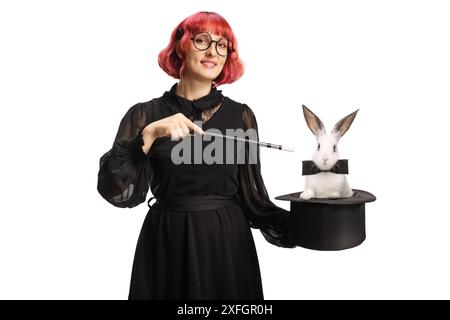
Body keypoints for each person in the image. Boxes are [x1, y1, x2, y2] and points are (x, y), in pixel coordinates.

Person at [97, 11, 294, 300]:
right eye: (202, 40)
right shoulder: (145, 115)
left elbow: (254, 201)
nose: (213, 51)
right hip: (167, 243)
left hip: (227, 246)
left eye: (222, 45)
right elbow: (116, 190)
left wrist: (307, 223)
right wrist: (149, 135)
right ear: (181, 45)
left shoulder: (241, 115)